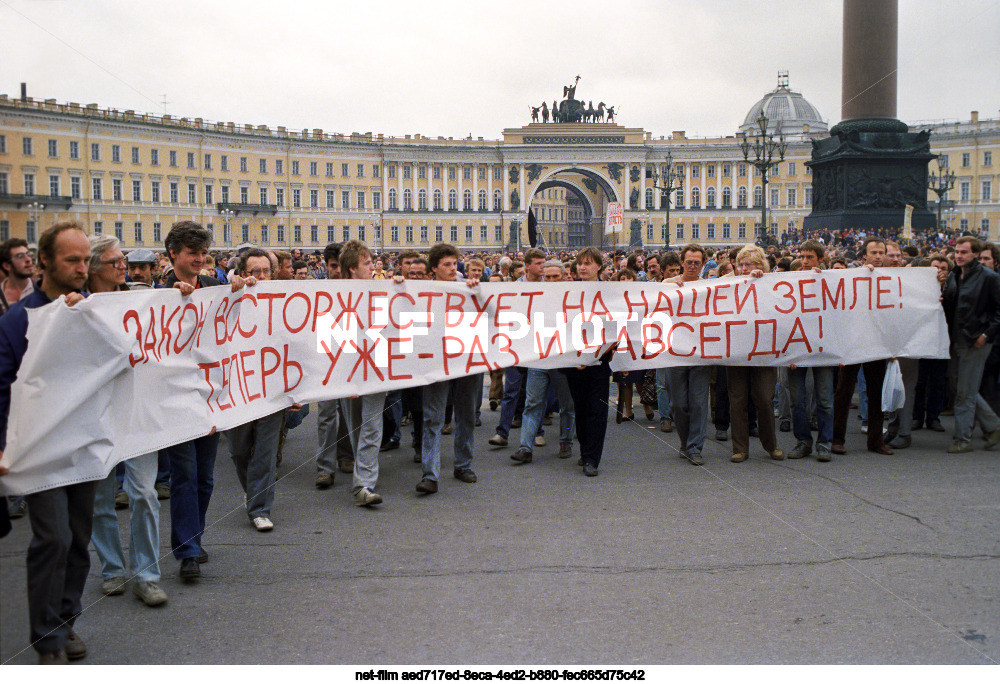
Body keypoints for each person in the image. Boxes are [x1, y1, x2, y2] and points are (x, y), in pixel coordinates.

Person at [0, 221, 93, 663]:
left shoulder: (94, 310)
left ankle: (66, 620)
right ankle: (48, 641)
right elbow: (1, 387)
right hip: (36, 449)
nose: (82, 268)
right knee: (53, 538)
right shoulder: (18, 320)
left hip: (85, 446)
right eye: (72, 260)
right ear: (44, 262)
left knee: (78, 540)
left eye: (86, 260)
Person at [161, 221, 250, 579]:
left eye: (203, 253)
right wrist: (172, 298)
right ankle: (187, 551)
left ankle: (194, 538)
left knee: (204, 477)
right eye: (192, 253)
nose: (199, 259)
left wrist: (240, 291)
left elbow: (240, 324)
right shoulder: (159, 295)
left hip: (212, 396)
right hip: (176, 399)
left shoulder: (214, 288)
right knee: (184, 474)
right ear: (173, 254)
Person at [83, 235, 168, 606]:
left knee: (145, 493)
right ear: (93, 267)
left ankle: (147, 575)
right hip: (94, 418)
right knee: (99, 499)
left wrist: (184, 294)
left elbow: (176, 321)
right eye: (116, 261)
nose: (124, 266)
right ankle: (112, 569)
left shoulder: (141, 299)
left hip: (138, 412)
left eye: (124, 261)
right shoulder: (74, 306)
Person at [226, 249, 298, 530]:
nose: (261, 276)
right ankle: (254, 491)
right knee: (238, 450)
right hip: (239, 387)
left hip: (273, 386)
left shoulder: (286, 301)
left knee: (266, 451)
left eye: (266, 271)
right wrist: (232, 290)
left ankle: (260, 509)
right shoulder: (231, 297)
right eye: (255, 271)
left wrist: (297, 388)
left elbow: (299, 343)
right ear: (243, 273)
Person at [416, 243, 481, 494]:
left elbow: (490, 311)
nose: (453, 268)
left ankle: (463, 464)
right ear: (434, 268)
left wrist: (478, 291)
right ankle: (430, 474)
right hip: (437, 360)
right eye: (447, 264)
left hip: (467, 358)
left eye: (455, 263)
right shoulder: (423, 291)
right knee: (433, 417)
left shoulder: (469, 287)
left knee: (465, 414)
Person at [831, 237, 893, 456]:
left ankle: (876, 441)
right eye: (873, 252)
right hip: (853, 342)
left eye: (881, 252)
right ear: (864, 255)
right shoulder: (852, 276)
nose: (878, 256)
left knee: (876, 393)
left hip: (877, 343)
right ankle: (837, 439)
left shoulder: (891, 278)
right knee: (843, 392)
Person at [510, 260, 576, 464]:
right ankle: (525, 447)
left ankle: (566, 441)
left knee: (567, 405)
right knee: (532, 404)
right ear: (542, 278)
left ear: (564, 277)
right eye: (548, 277)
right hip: (539, 358)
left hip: (563, 359)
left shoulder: (573, 298)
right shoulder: (534, 298)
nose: (552, 280)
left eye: (556, 276)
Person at [338, 240, 386, 506]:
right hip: (349, 369)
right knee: (355, 425)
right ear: (352, 269)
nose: (372, 267)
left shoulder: (383, 290)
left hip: (378, 367)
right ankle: (363, 470)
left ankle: (364, 483)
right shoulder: (335, 296)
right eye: (366, 263)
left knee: (372, 425)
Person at [727, 245, 785, 463]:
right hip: (737, 351)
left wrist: (762, 280)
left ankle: (771, 444)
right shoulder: (730, 283)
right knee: (738, 400)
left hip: (763, 351)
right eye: (740, 264)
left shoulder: (770, 284)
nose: (743, 269)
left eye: (748, 264)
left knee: (764, 398)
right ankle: (740, 448)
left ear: (760, 265)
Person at [942, 236, 1000, 453]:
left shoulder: (989, 277)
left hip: (976, 341)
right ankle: (993, 425)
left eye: (964, 252)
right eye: (957, 252)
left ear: (975, 254)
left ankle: (963, 439)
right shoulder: (954, 275)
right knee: (959, 386)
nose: (959, 256)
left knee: (965, 392)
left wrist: (985, 335)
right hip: (956, 338)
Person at [560, 247, 613, 477]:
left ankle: (592, 458)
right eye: (580, 263)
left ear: (599, 266)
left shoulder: (610, 293)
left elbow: (614, 327)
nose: (582, 267)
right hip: (575, 363)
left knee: (597, 411)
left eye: (588, 263)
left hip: (599, 363)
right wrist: (576, 356)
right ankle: (585, 449)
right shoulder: (569, 292)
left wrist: (593, 355)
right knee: (580, 410)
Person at [788, 240, 836, 462]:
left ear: (821, 259)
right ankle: (803, 441)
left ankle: (824, 443)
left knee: (824, 399)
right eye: (802, 257)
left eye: (810, 257)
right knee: (797, 400)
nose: (805, 261)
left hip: (823, 349)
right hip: (796, 348)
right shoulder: (791, 282)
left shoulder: (831, 281)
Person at [666, 244, 713, 465]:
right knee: (678, 404)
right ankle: (685, 442)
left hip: (701, 352)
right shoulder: (668, 284)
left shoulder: (709, 287)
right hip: (675, 353)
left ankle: (695, 447)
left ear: (703, 264)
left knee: (699, 403)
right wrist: (669, 290)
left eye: (697, 263)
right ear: (682, 263)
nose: (692, 266)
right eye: (689, 262)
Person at [0, 237, 35, 314]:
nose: (28, 259)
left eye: (28, 254)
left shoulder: (40, 289)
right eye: (20, 256)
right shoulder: (1, 294)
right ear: (7, 266)